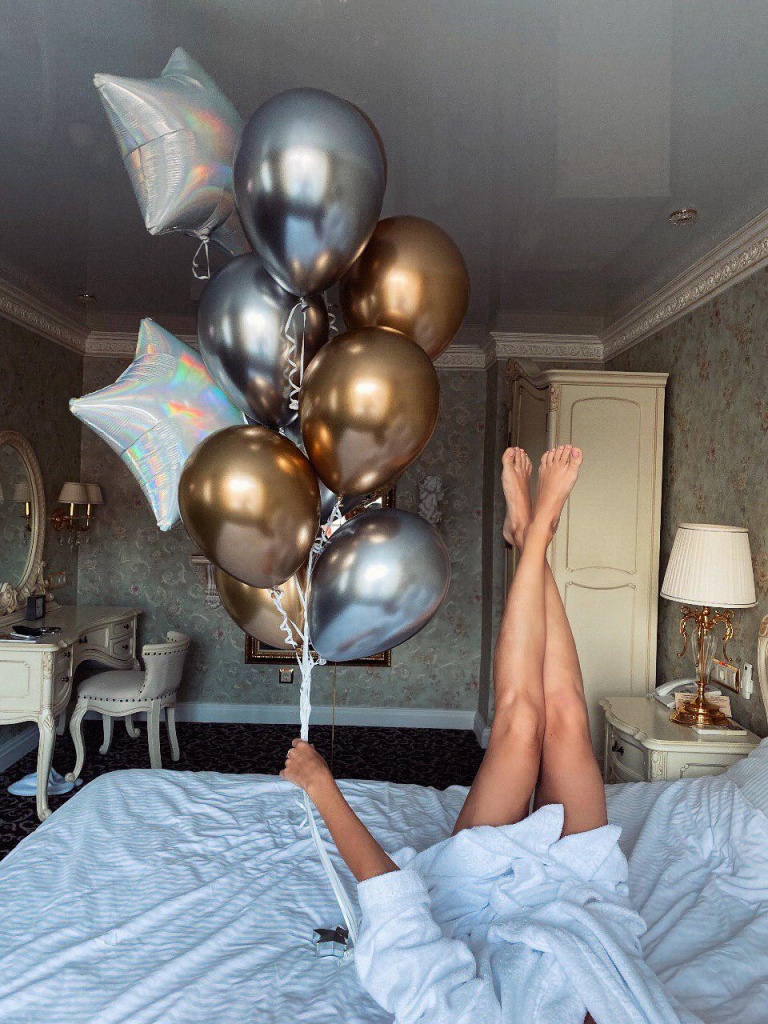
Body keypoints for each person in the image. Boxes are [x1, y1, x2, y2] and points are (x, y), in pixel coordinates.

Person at [281, 446, 692, 1024]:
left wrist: (321, 787)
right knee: (568, 717)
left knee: (521, 725)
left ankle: (533, 536)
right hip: (584, 900)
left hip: (480, 902)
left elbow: (398, 916)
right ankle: (529, 538)